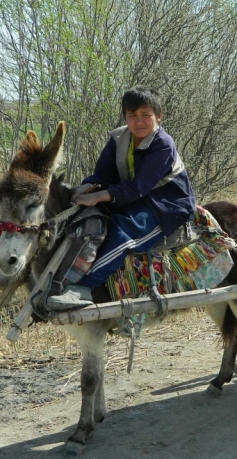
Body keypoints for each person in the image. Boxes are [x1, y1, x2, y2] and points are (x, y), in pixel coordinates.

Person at [47, 86, 196, 310]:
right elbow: (103, 174)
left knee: (123, 233)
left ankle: (83, 288)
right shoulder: (119, 138)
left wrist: (98, 196)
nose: (139, 122)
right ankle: (61, 279)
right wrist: (83, 189)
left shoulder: (163, 144)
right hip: (132, 197)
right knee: (86, 218)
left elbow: (138, 187)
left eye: (146, 115)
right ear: (125, 116)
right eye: (132, 115)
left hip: (166, 205)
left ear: (158, 116)